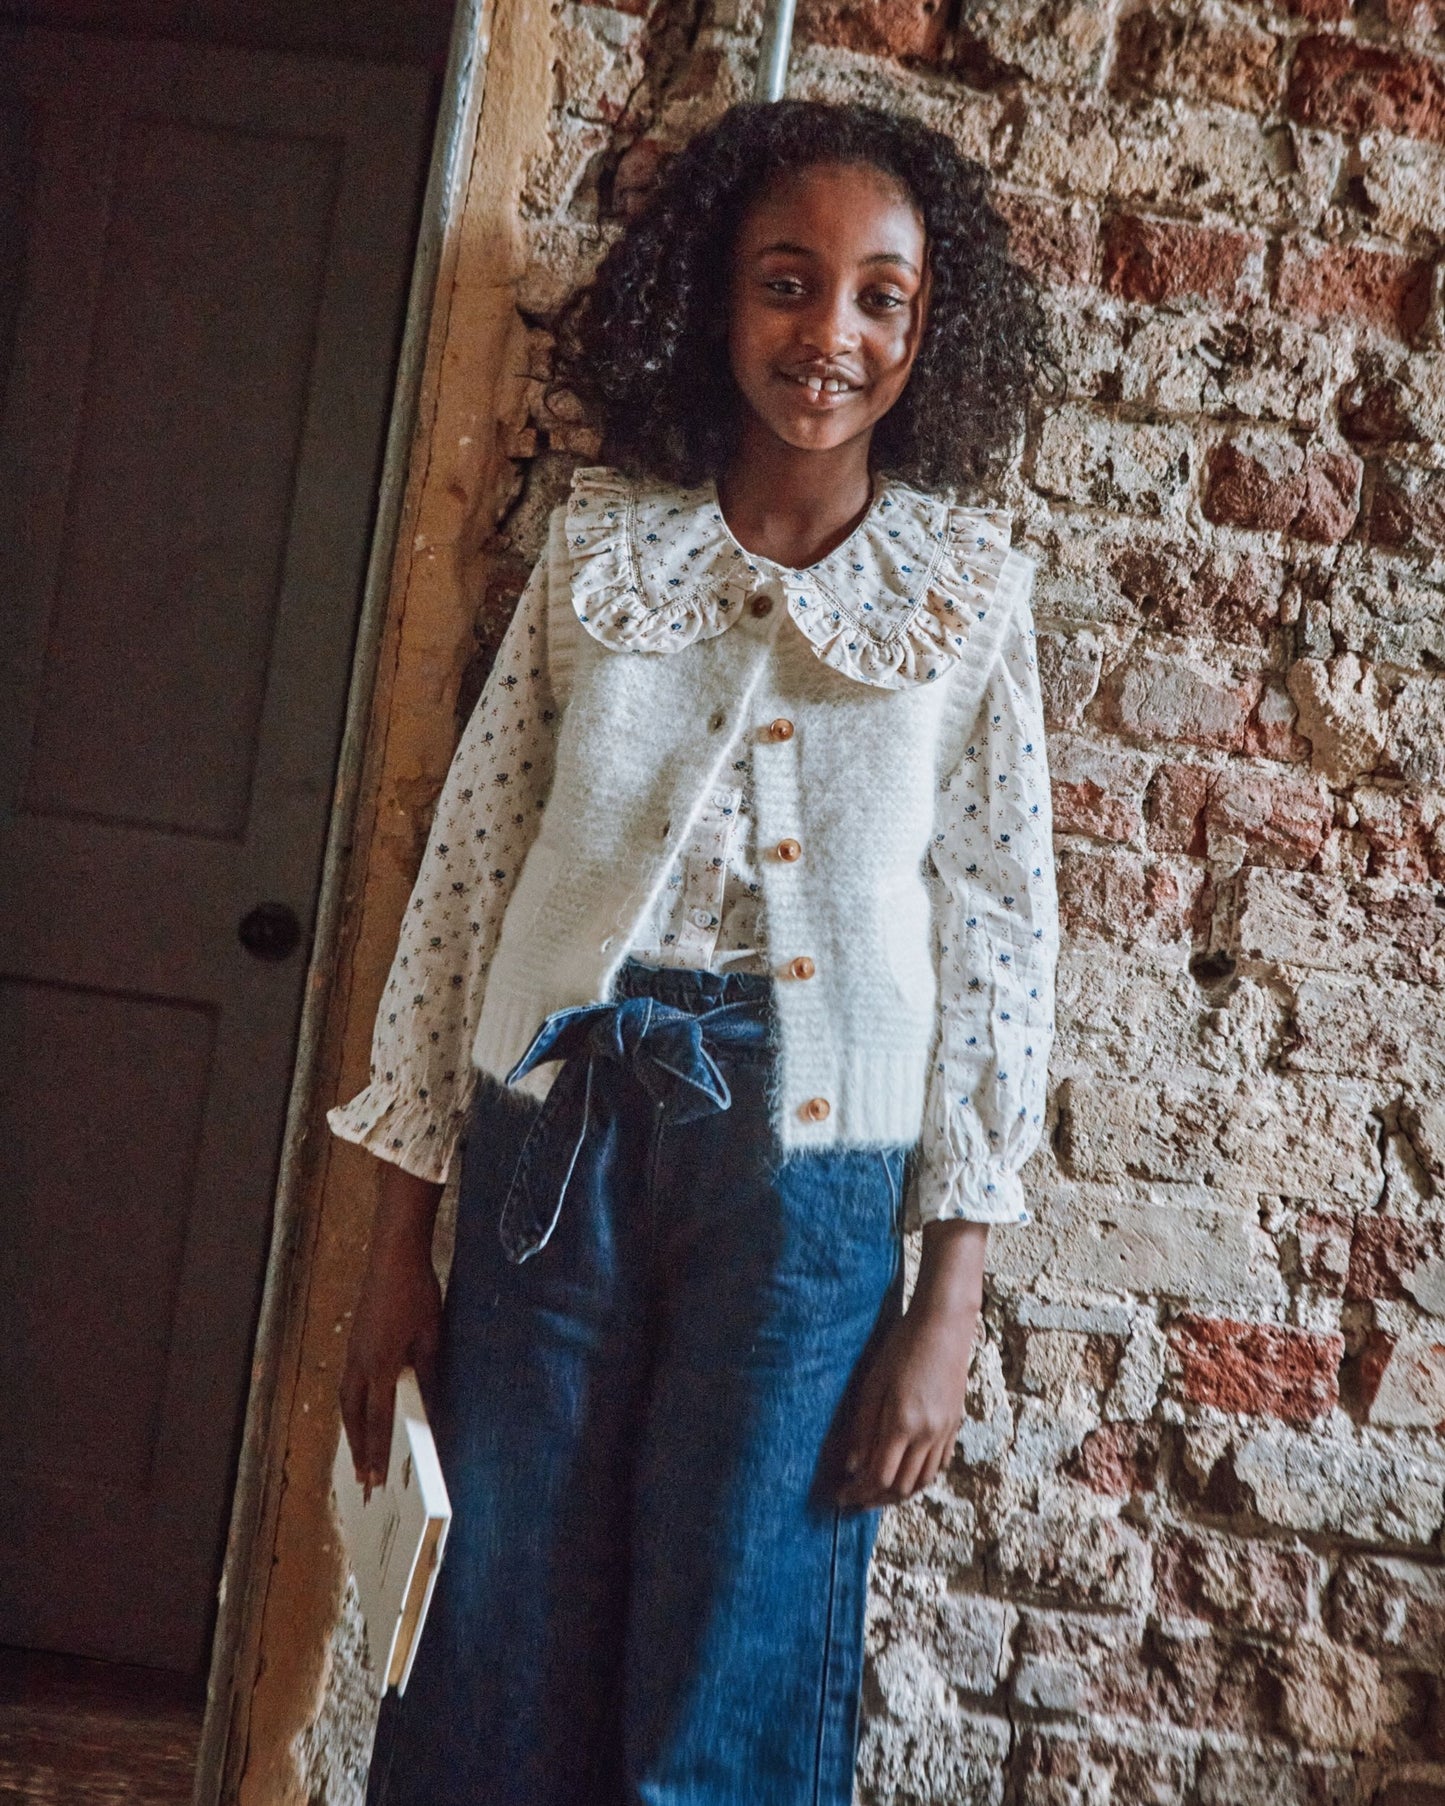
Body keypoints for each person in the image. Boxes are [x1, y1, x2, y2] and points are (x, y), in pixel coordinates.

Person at [331, 97, 1057, 1806]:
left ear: (928, 330)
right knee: (492, 1633)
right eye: (785, 282)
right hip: (550, 1142)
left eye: (879, 296)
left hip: (812, 1179)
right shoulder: (601, 552)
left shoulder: (967, 593)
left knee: (735, 1647)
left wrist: (948, 1296)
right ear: (713, 298)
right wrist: (392, 1241)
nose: (830, 333)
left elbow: (1003, 944)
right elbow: (467, 881)